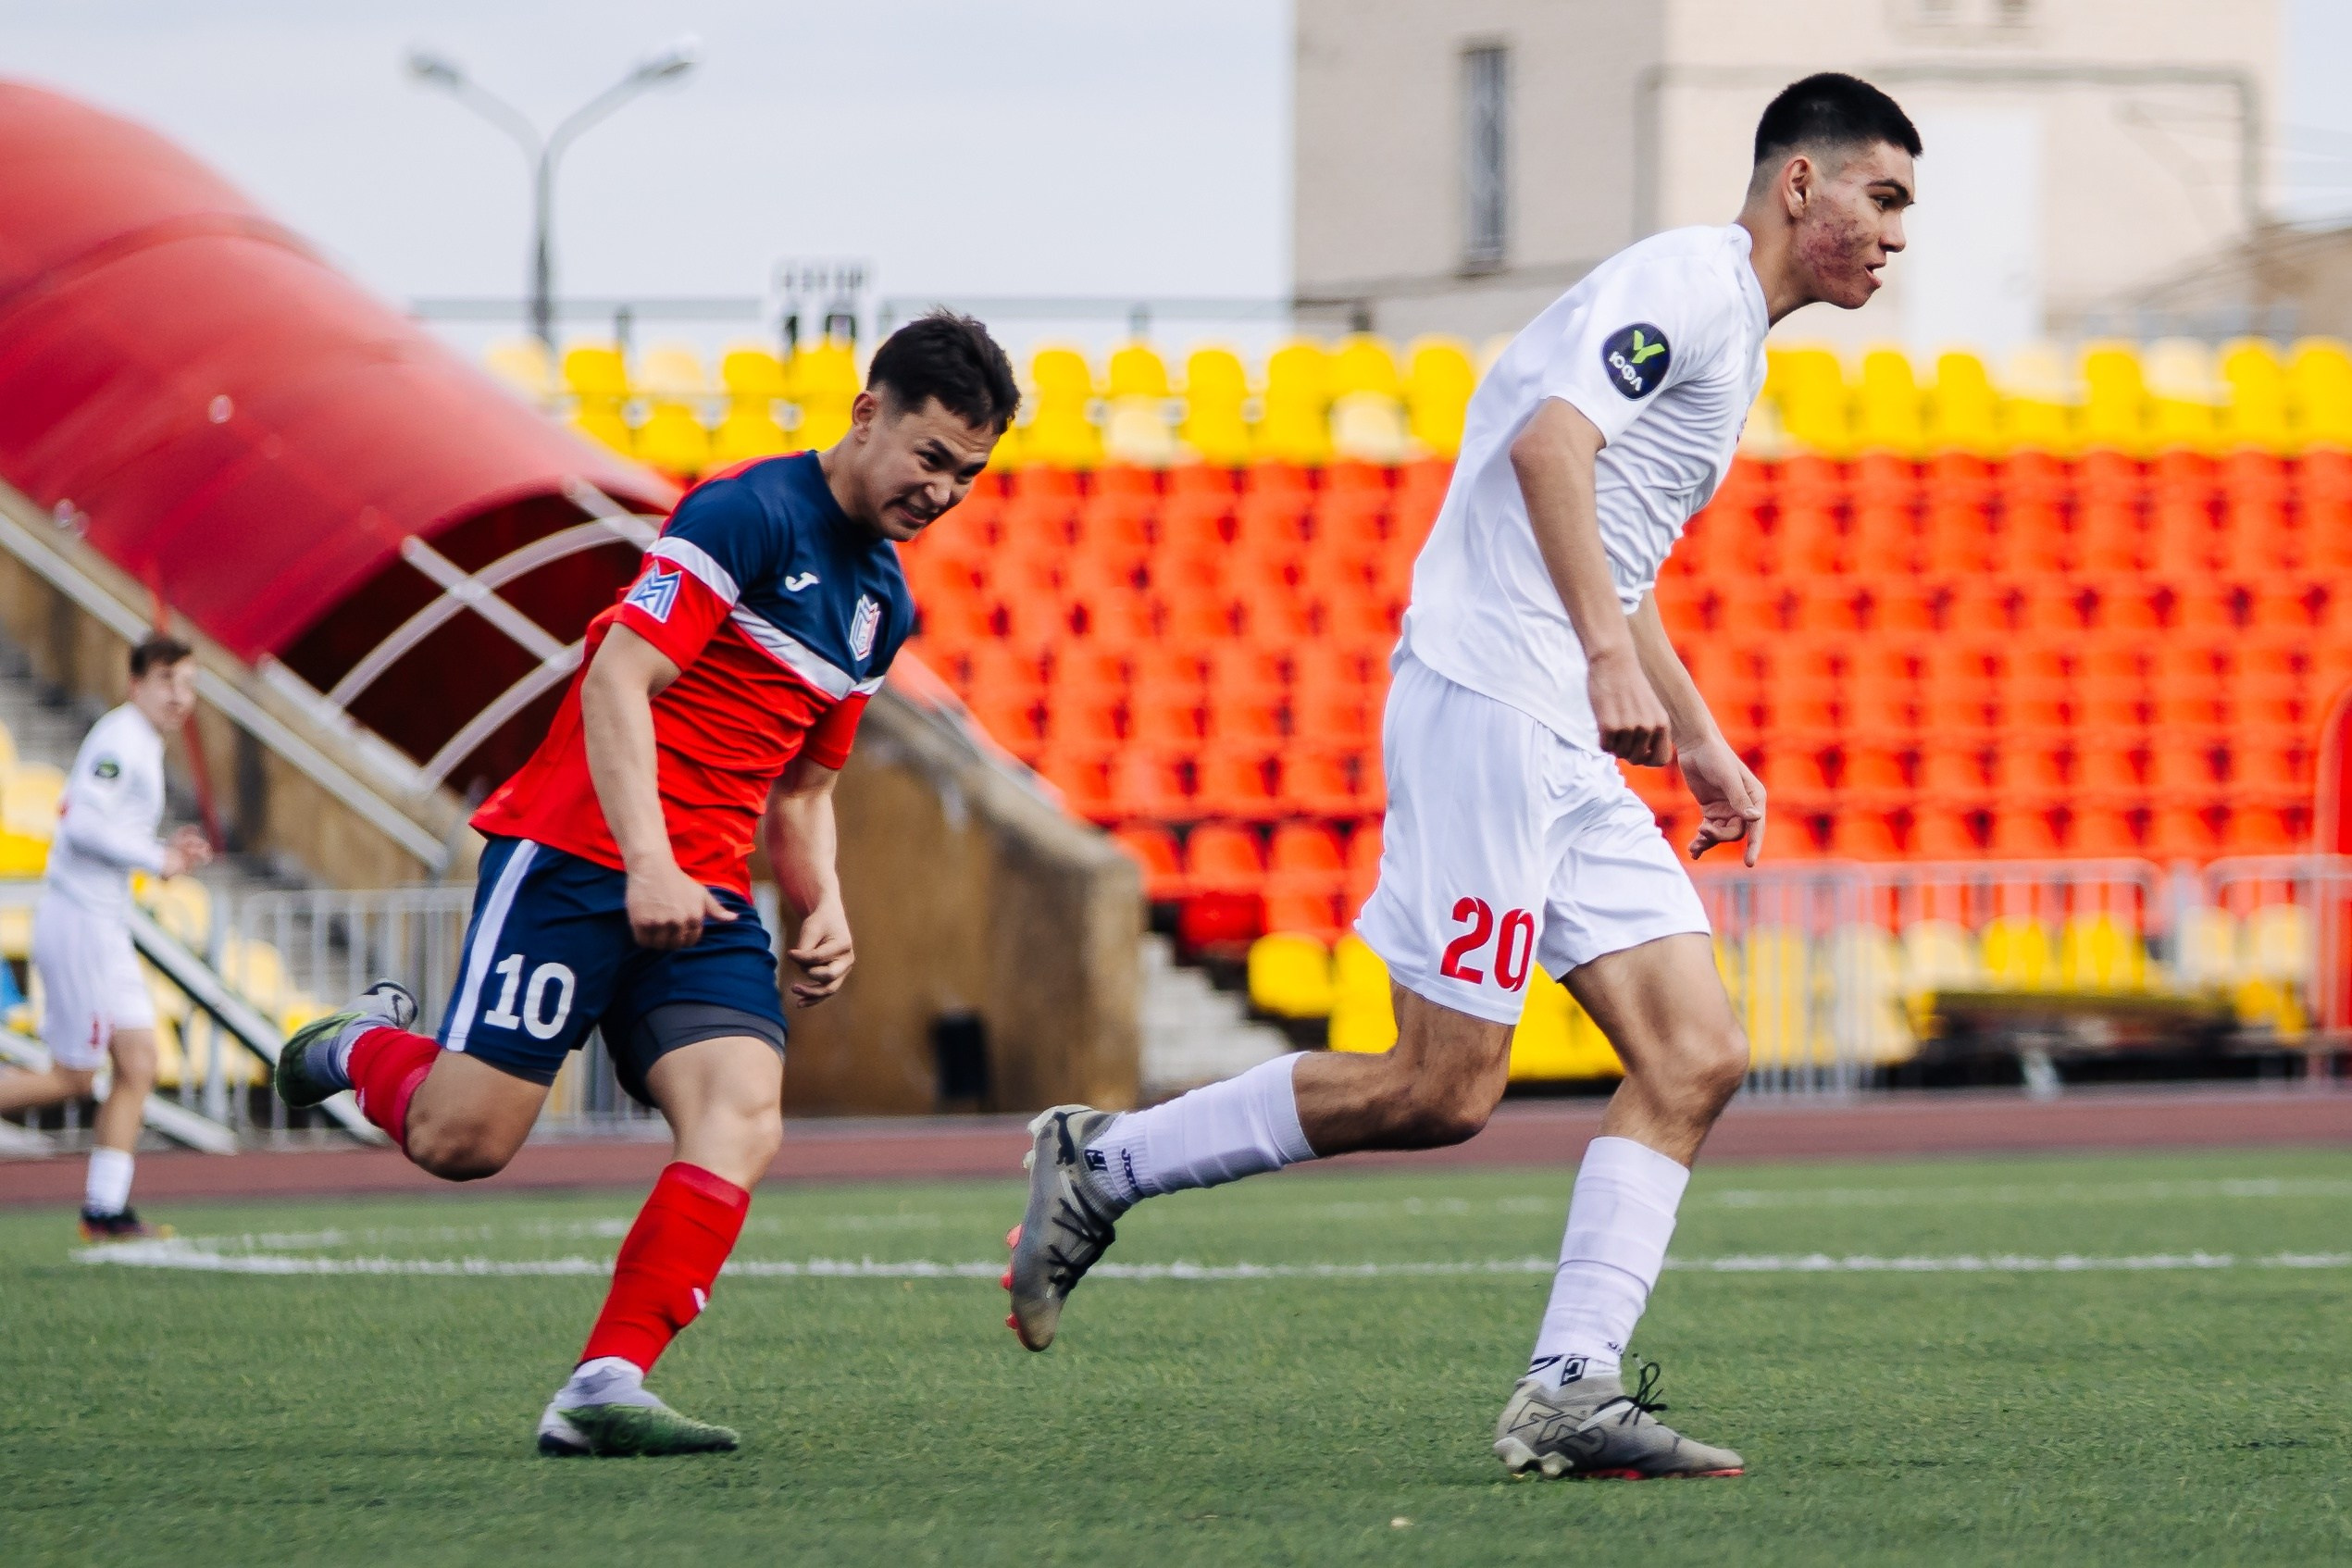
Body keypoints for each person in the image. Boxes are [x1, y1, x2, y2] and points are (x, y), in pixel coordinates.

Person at [1004, 72, 1920, 1480]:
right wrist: (1604, 663)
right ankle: (1104, 1161)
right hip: (1494, 701)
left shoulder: (1728, 328)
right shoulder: (1687, 279)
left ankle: (1567, 1387)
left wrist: (1697, 726)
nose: (1895, 232)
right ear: (1802, 184)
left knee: (1696, 1056)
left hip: (1561, 724)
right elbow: (1550, 443)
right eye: (1884, 196)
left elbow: (1617, 545)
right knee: (1442, 1088)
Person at [273, 310, 1019, 1457]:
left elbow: (806, 791)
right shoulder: (747, 511)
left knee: (742, 1114)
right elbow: (618, 678)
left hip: (703, 894)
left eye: (968, 473)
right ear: (868, 413)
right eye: (930, 458)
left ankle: (604, 1378)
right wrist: (649, 860)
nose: (945, 490)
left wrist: (823, 905)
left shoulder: (884, 604)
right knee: (463, 1141)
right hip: (578, 856)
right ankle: (353, 1046)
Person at [0, 634, 215, 1239]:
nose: (180, 696)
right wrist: (157, 856)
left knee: (140, 1062)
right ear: (136, 684)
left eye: (189, 684)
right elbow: (81, 821)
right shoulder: (120, 740)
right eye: (168, 681)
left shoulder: (141, 743)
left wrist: (163, 855)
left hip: (105, 925)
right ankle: (103, 1211)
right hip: (80, 924)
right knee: (74, 1075)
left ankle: (104, 1211)